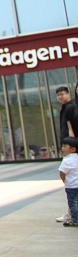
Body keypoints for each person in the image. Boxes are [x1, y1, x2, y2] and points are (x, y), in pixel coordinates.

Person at [54, 86, 76, 222]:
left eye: (63, 94)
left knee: (73, 184)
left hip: (72, 147)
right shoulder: (65, 107)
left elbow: (70, 128)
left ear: (68, 94)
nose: (61, 97)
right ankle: (71, 212)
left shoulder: (70, 107)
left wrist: (70, 145)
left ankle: (71, 213)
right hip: (71, 147)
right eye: (58, 95)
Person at [58, 137, 78, 227]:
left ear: (73, 149)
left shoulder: (66, 160)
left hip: (72, 186)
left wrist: (63, 180)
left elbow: (62, 173)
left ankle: (75, 220)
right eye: (62, 146)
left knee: (73, 203)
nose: (62, 148)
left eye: (65, 146)